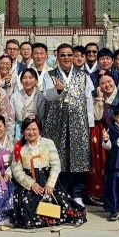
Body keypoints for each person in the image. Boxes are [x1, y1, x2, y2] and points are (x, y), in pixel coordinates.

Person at [10, 116, 87, 228]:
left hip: (47, 181)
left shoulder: (48, 143)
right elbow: (16, 170)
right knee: (28, 206)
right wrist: (31, 184)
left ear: (39, 130)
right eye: (28, 129)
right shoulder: (19, 147)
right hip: (29, 184)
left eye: (34, 129)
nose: (31, 132)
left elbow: (56, 165)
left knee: (57, 204)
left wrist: (50, 184)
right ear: (23, 131)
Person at [42, 44, 93, 205]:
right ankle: (61, 192)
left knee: (79, 158)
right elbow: (47, 96)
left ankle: (77, 193)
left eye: (69, 55)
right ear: (57, 56)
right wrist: (58, 91)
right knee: (58, 158)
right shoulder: (49, 75)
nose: (66, 58)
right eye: (63, 55)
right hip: (56, 123)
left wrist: (89, 124)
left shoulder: (83, 76)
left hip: (78, 122)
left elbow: (88, 101)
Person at [88, 73, 119, 205]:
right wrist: (99, 98)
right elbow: (96, 117)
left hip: (118, 131)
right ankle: (98, 192)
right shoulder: (94, 95)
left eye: (109, 81)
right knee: (99, 162)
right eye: (103, 83)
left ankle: (116, 193)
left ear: (114, 81)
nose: (107, 85)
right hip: (100, 132)